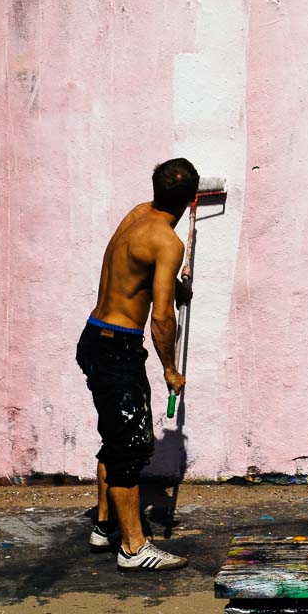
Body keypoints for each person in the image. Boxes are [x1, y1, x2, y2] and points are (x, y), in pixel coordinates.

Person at [77, 158, 198, 571]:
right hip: (118, 347)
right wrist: (170, 368)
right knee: (129, 445)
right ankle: (133, 547)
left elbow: (131, 268)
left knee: (116, 433)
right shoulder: (168, 243)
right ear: (192, 199)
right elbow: (162, 318)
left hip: (94, 337)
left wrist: (173, 283)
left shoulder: (138, 215)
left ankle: (105, 526)